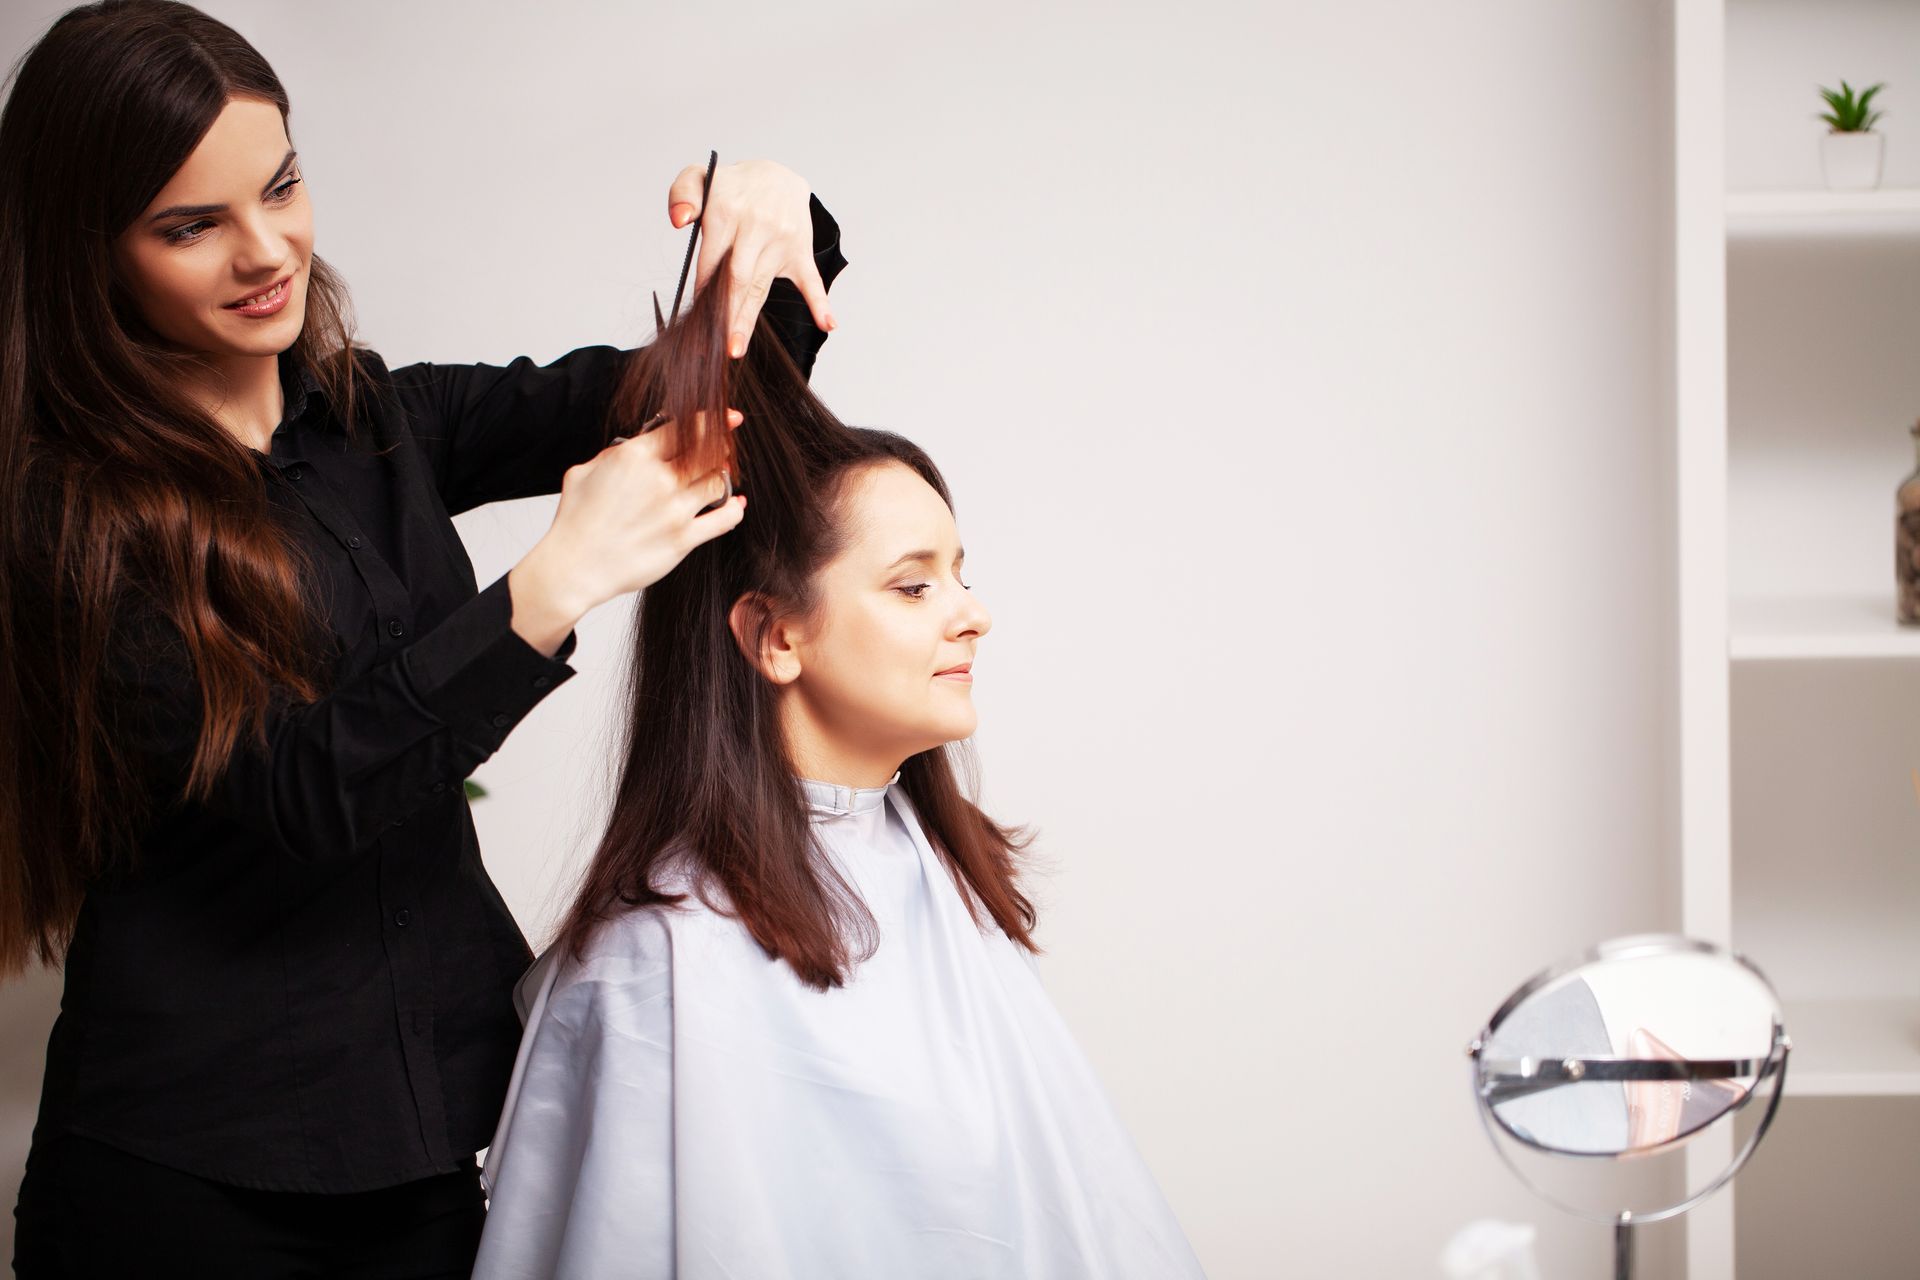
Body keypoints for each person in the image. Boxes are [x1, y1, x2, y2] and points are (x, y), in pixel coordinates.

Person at [0, 3, 845, 1274]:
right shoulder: (64, 510)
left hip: (422, 1158)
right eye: (191, 225)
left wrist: (777, 220)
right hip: (180, 1187)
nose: (265, 249)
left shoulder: (379, 421)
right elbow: (303, 787)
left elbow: (712, 394)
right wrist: (550, 584)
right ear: (90, 253)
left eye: (281, 184)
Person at [472, 252, 1207, 1279]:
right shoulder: (663, 961)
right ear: (775, 636)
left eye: (961, 573)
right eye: (913, 587)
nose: (972, 611)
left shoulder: (936, 876)